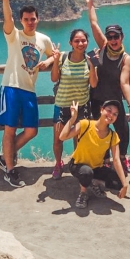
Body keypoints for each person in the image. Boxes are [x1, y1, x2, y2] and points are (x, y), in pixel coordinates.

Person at [0, 0, 54, 188]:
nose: (30, 22)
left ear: (38, 19)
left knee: (31, 131)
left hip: (29, 90)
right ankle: (10, 170)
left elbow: (56, 54)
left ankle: (5, 157)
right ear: (21, 21)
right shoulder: (15, 36)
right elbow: (7, 20)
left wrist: (48, 62)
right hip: (11, 87)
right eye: (26, 19)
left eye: (33, 19)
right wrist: (5, 0)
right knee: (9, 130)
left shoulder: (43, 39)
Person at [82, 0, 130, 174]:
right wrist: (90, 4)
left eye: (116, 36)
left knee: (122, 130)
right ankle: (104, 160)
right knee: (100, 131)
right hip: (98, 98)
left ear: (122, 37)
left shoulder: (126, 59)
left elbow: (124, 82)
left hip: (115, 100)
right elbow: (93, 23)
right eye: (111, 37)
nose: (113, 40)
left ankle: (122, 158)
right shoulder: (103, 47)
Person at [59, 99, 129, 210]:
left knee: (119, 183)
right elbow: (62, 137)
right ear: (101, 110)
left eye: (115, 114)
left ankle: (93, 181)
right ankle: (83, 193)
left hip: (96, 167)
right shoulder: (85, 125)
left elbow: (116, 160)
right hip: (77, 165)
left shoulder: (112, 135)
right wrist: (72, 119)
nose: (111, 115)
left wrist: (125, 185)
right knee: (86, 172)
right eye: (109, 110)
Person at [49, 29, 98, 180]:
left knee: (79, 139)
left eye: (83, 40)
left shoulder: (89, 59)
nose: (80, 44)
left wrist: (92, 65)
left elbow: (94, 84)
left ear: (87, 42)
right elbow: (54, 78)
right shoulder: (64, 57)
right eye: (76, 41)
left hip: (82, 106)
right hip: (62, 105)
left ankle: (77, 164)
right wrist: (55, 59)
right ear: (70, 43)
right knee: (58, 140)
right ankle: (58, 164)